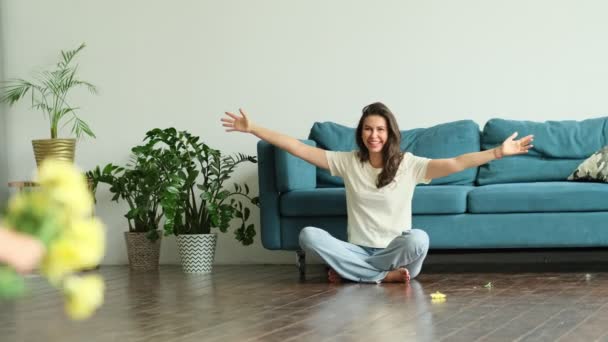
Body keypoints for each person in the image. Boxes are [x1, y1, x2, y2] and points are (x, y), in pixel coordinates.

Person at [222, 102, 533, 284]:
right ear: (361, 133)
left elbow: (455, 162)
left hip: (397, 254)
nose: (374, 135)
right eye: (368, 129)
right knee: (308, 236)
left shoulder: (409, 165)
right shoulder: (346, 162)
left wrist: (497, 153)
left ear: (390, 134)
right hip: (360, 250)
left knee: (419, 239)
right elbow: (297, 148)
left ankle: (354, 276)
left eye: (380, 129)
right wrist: (254, 128)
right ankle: (380, 278)